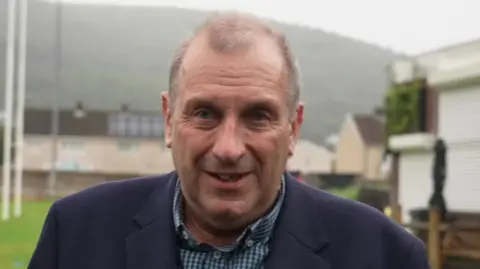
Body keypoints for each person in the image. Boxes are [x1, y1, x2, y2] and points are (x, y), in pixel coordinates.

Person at [28, 12, 429, 269]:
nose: (228, 148)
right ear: (169, 120)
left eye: (259, 116)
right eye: (205, 114)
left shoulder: (385, 256)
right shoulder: (75, 235)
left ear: (294, 128)